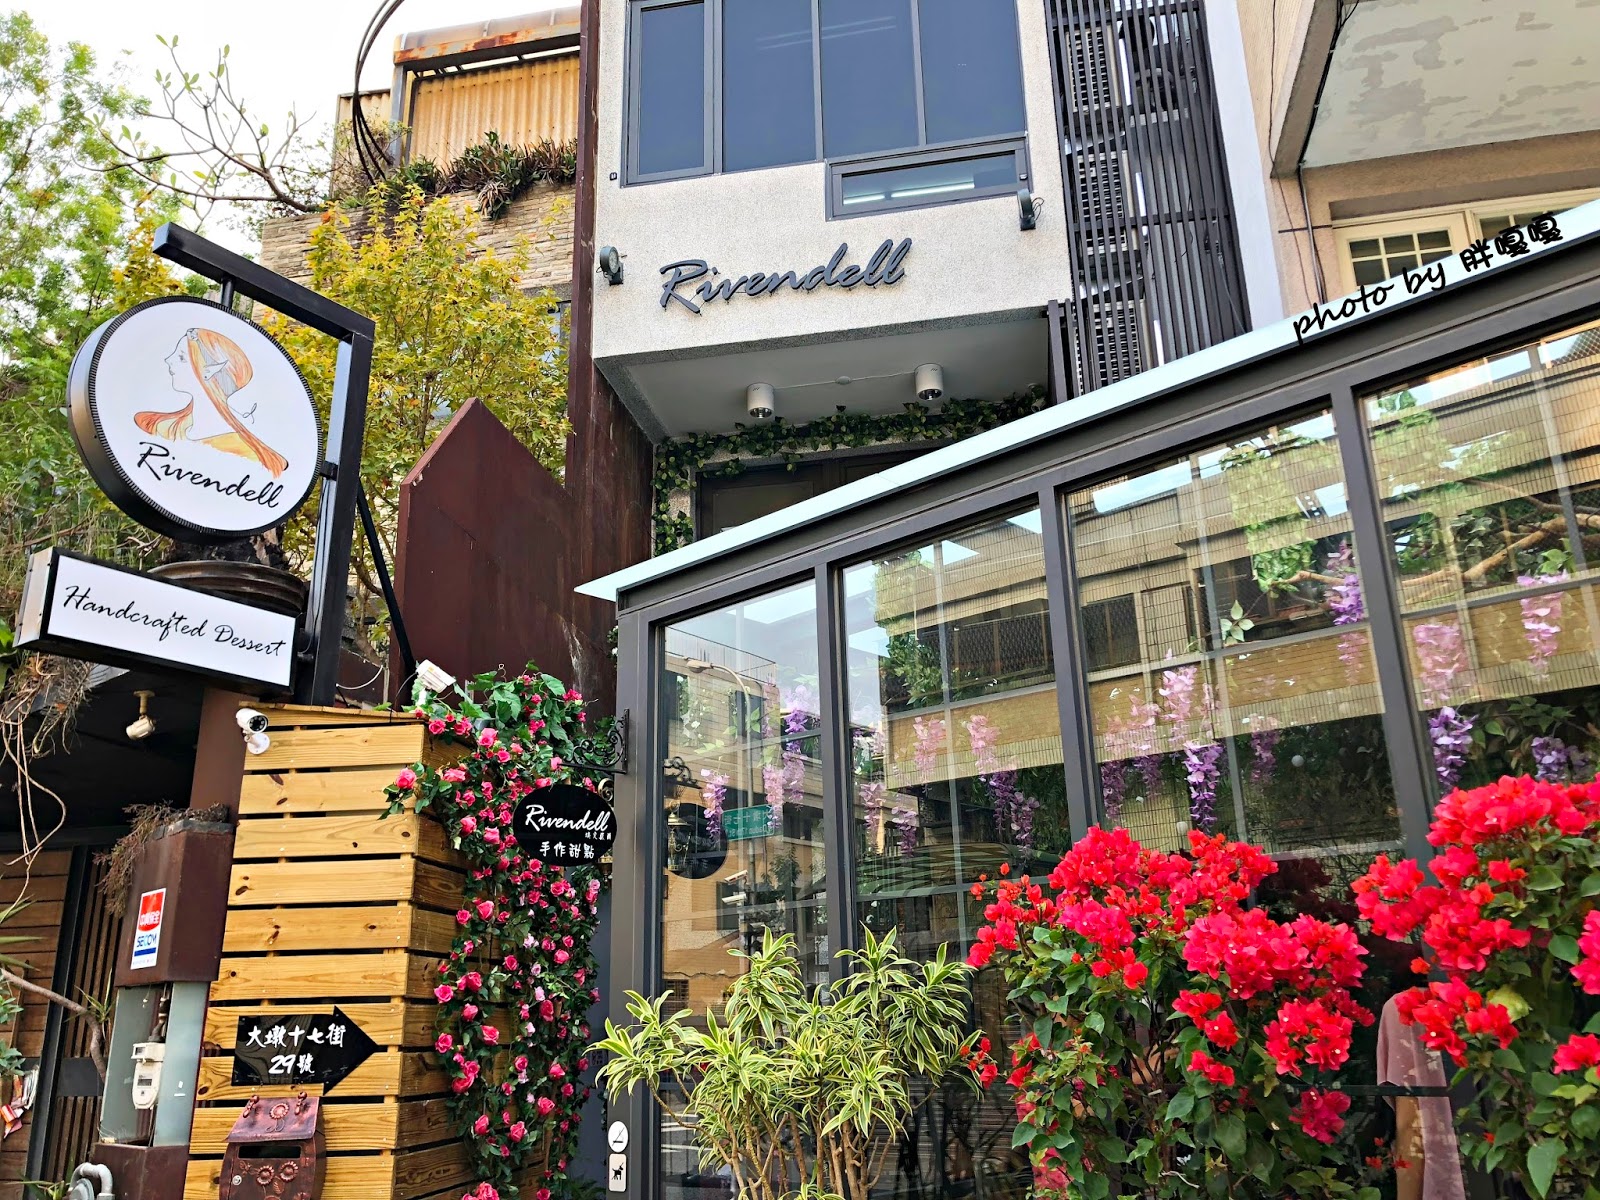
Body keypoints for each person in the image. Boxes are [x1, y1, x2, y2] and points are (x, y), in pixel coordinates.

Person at [135, 327, 290, 478]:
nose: (168, 360)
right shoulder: (163, 425)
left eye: (181, 357)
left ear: (210, 372)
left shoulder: (244, 454)